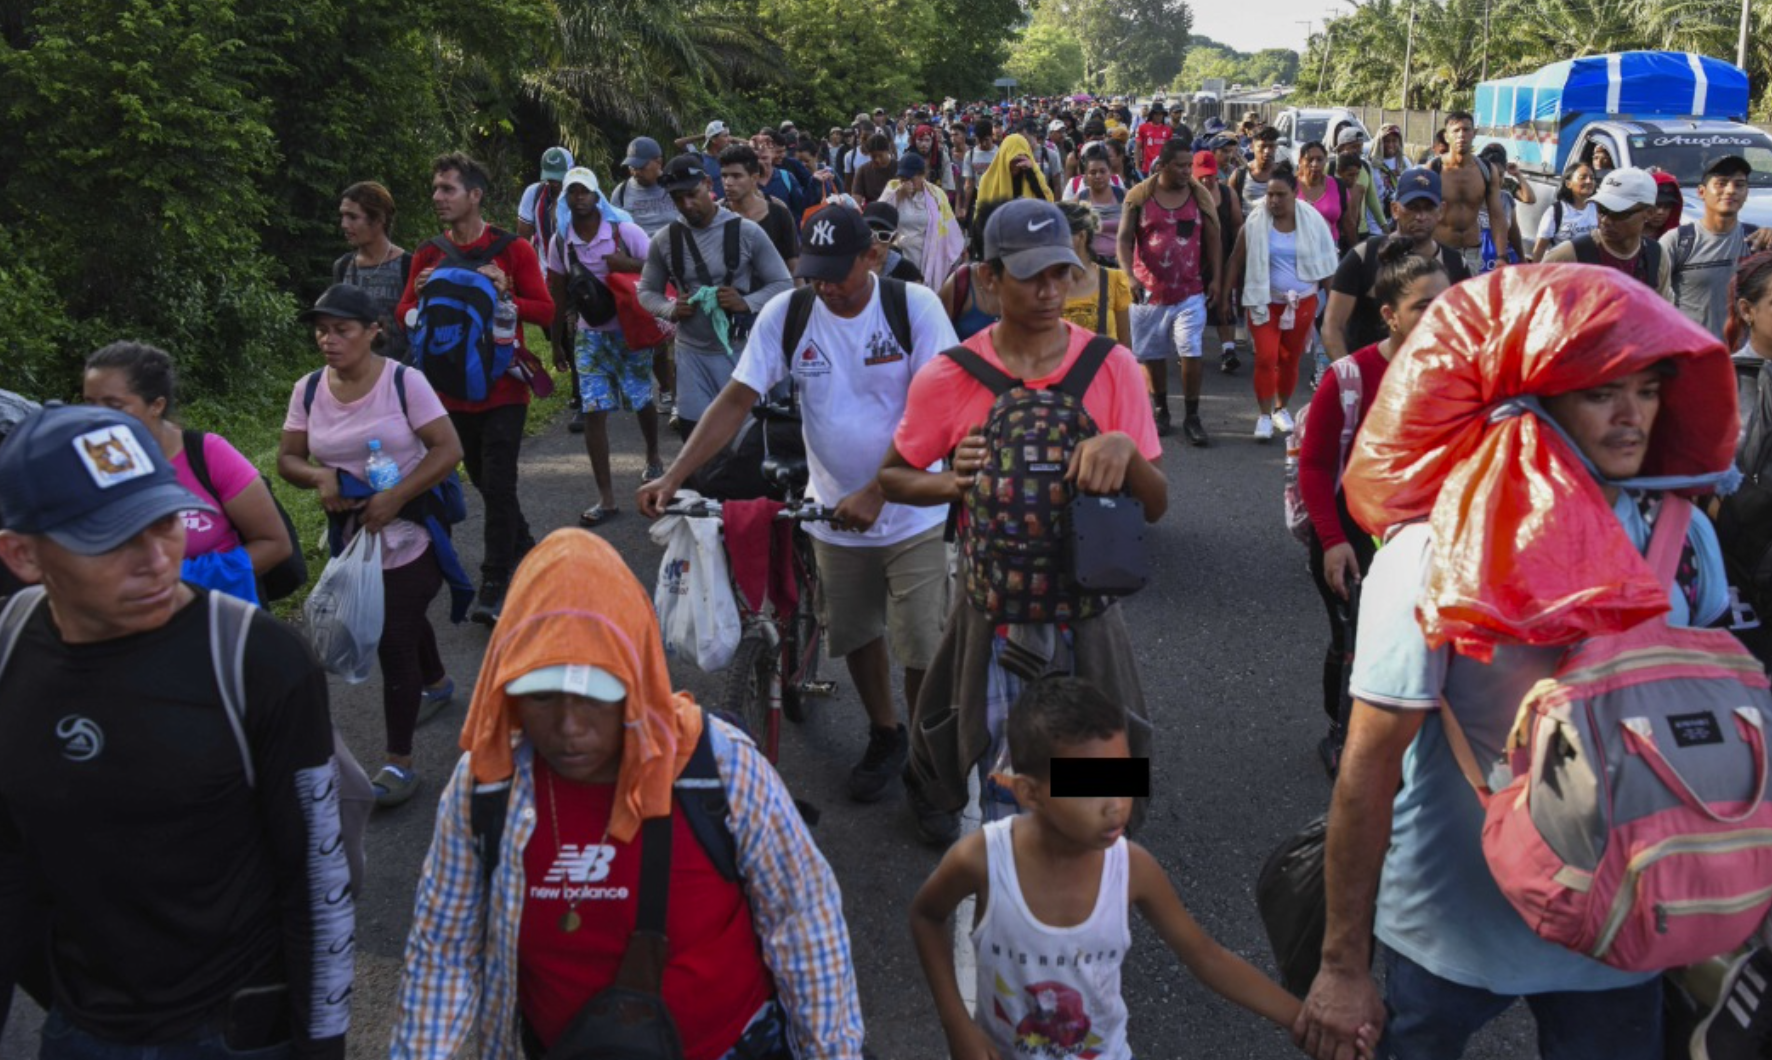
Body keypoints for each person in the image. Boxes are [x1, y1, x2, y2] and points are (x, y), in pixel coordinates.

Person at [1295, 265, 1737, 1060]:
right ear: (1533, 402)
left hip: (1620, 932)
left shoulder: (1687, 544)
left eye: (1648, 388)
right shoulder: (1433, 552)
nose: (1633, 417)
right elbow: (1366, 768)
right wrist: (1341, 966)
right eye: (1603, 392)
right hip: (1449, 931)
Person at [389, 529, 865, 1060]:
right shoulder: (485, 785)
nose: (570, 727)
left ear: (635, 680)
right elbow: (444, 951)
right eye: (541, 697)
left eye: (595, 697)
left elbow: (803, 922)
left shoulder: (720, 766)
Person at [0, 403, 355, 1060]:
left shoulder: (258, 660)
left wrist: (321, 1045)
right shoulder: (12, 647)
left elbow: (318, 875)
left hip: (229, 1031)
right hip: (79, 1028)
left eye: (165, 523)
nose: (158, 560)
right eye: (108, 539)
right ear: (22, 554)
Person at [642, 201, 960, 805]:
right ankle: (886, 732)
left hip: (913, 511)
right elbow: (736, 400)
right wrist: (676, 475)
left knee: (920, 641)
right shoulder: (791, 313)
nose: (825, 287)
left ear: (873, 255)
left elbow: (939, 411)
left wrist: (880, 488)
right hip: (833, 513)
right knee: (856, 633)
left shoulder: (912, 307)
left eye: (837, 273)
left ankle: (925, 753)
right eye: (814, 273)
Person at [878, 198, 1167, 845]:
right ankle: (1016, 905)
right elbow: (894, 475)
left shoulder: (1111, 366)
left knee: (1097, 808)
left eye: (1061, 273)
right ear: (988, 278)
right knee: (1008, 794)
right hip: (994, 621)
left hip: (1086, 619)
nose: (1049, 290)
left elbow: (1156, 502)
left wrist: (1125, 454)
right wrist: (953, 481)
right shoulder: (951, 376)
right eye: (1031, 274)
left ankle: (1084, 891)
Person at [908, 678, 1316, 1060]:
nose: (1117, 804)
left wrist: (1303, 1019)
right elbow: (926, 916)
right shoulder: (982, 858)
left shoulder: (1132, 868)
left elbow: (1205, 955)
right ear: (1030, 793)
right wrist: (956, 1022)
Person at [280, 284, 467, 805]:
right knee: (402, 621)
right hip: (354, 538)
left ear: (373, 331)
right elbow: (287, 459)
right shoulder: (310, 389)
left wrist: (395, 497)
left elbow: (448, 448)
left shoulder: (405, 383)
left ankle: (399, 763)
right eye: (322, 330)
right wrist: (319, 480)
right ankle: (437, 682)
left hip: (413, 529)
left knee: (392, 634)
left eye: (341, 329)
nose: (328, 340)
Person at [1301, 237, 1449, 776]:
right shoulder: (1349, 378)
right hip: (1353, 535)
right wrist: (1334, 542)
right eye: (1425, 307)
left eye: (1448, 303)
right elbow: (1315, 467)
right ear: (1389, 316)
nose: (1442, 316)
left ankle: (1411, 735)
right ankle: (1343, 732)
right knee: (1355, 637)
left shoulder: (1463, 375)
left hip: (1431, 538)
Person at [395, 152, 554, 626]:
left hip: (505, 388)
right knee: (487, 483)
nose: (437, 197)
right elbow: (404, 317)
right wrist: (419, 296)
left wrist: (507, 291)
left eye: (448, 189)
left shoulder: (513, 249)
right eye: (436, 189)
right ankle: (529, 552)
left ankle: (494, 581)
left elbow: (545, 312)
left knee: (499, 483)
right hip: (448, 392)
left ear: (475, 195)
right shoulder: (426, 253)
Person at [82, 342, 292, 603]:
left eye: (114, 405)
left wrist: (184, 582)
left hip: (216, 615)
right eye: (89, 403)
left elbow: (275, 544)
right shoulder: (93, 463)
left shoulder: (208, 454)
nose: (97, 417)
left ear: (156, 405)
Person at [638, 155, 793, 439]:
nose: (687, 205)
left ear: (708, 184)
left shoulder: (747, 232)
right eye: (677, 198)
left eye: (692, 195)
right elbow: (646, 290)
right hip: (691, 355)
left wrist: (746, 302)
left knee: (744, 442)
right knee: (696, 441)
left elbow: (784, 283)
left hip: (740, 352)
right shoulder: (664, 239)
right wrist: (670, 309)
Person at [545, 167, 665, 530]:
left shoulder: (623, 232)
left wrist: (624, 264)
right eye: (573, 193)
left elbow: (660, 270)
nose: (579, 198)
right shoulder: (561, 240)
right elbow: (558, 294)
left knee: (641, 399)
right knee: (593, 409)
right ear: (566, 199)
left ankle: (654, 456)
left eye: (585, 192)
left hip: (629, 332)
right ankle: (607, 498)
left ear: (597, 196)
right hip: (589, 336)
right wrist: (556, 345)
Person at [1221, 162, 1339, 441]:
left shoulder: (1312, 221)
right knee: (1265, 357)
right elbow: (1235, 261)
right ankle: (1263, 416)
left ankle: (1281, 409)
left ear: (1294, 193)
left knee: (1289, 359)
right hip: (1263, 302)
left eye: (1280, 195)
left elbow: (1328, 266)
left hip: (1303, 303)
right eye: (1270, 194)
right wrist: (1225, 297)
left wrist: (1334, 305)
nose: (1273, 200)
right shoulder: (1254, 222)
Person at [1118, 138, 1224, 445]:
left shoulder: (1198, 196)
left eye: (1187, 165)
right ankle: (1161, 410)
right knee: (1152, 354)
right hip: (1148, 293)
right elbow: (1124, 239)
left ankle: (1192, 416)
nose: (1185, 171)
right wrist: (1129, 277)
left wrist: (1216, 278)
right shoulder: (1139, 197)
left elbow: (1214, 239)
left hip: (1190, 291)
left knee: (1191, 350)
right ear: (1162, 166)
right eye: (1179, 165)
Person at [1324, 168, 1470, 362]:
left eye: (1428, 208)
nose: (1421, 216)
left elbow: (1464, 332)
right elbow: (1332, 326)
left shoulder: (1456, 265)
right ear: (1395, 209)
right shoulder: (1364, 256)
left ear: (1441, 211)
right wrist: (1347, 377)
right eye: (1413, 207)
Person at [1663, 155, 1769, 340]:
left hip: (1746, 362)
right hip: (1694, 357)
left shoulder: (1756, 240)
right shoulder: (1679, 241)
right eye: (1721, 183)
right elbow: (1651, 298)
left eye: (1739, 184)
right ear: (1702, 192)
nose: (1730, 190)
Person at [1545, 167, 1671, 300]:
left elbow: (1663, 314)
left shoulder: (1656, 256)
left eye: (1619, 213)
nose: (1606, 221)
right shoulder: (1568, 256)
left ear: (1649, 213)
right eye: (1601, 210)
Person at [334, 181, 413, 362]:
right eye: (343, 216)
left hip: (399, 379)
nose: (344, 224)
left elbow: (419, 332)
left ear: (378, 219)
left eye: (352, 217)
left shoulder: (408, 265)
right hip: (353, 376)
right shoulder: (343, 266)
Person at [1429, 113, 1508, 276]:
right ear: (1446, 136)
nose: (1461, 135)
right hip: (1440, 251)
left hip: (1472, 251)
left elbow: (1497, 215)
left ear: (1474, 133)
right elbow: (1420, 211)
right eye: (1456, 130)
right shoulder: (1434, 168)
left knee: (1466, 300)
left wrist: (1501, 256)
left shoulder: (1486, 170)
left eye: (1466, 129)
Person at [884, 150, 965, 289]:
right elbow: (881, 213)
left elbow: (949, 227)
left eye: (910, 178)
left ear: (922, 175)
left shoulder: (936, 195)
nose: (906, 182)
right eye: (903, 178)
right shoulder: (893, 189)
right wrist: (898, 195)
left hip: (927, 256)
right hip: (900, 257)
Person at [720, 143, 800, 277]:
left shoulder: (778, 212)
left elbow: (794, 268)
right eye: (724, 175)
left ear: (754, 178)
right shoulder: (717, 214)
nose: (728, 182)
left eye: (736, 176)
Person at [1200, 144, 1246, 373]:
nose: (1206, 182)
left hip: (1225, 257)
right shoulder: (1188, 196)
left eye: (1209, 176)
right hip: (1194, 263)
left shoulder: (1228, 194)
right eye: (1201, 177)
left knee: (1224, 304)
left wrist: (1237, 258)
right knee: (1193, 307)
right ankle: (1187, 350)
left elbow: (1238, 227)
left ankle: (1228, 350)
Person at [1058, 201, 1132, 343]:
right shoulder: (1046, 285)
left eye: (1059, 234)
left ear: (1081, 236)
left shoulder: (1114, 279)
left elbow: (1124, 344)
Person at [610, 136, 683, 237]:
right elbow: (614, 230)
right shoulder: (621, 192)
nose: (636, 173)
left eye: (641, 167)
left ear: (659, 162)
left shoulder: (677, 186)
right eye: (632, 167)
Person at [1296, 141, 1359, 252]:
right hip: (1296, 252)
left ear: (1325, 160)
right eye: (1310, 159)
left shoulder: (1338, 186)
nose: (1315, 164)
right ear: (1300, 161)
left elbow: (1348, 224)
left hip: (1330, 252)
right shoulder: (1290, 187)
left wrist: (1358, 254)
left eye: (1319, 159)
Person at [1529, 160, 1598, 261]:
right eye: (1583, 178)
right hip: (1563, 270)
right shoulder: (1556, 211)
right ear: (1568, 183)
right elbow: (1540, 248)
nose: (1589, 181)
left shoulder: (1597, 208)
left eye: (1592, 178)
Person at [1075, 145, 1128, 265]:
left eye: (1102, 171)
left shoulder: (1124, 196)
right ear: (1086, 175)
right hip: (1090, 266)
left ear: (1110, 171)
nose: (1098, 176)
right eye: (1093, 172)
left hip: (1121, 264)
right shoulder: (1080, 199)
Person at [517, 146, 572, 260]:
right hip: (544, 272)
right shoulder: (533, 193)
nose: (555, 183)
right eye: (551, 178)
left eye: (560, 177)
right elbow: (523, 239)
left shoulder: (582, 196)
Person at [1333, 127, 1386, 239]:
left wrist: (1384, 225)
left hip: (1361, 230)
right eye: (1354, 147)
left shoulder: (1366, 167)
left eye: (1360, 146)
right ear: (1341, 148)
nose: (1359, 150)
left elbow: (1372, 198)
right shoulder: (1330, 168)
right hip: (1337, 232)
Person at [1231, 126, 1282, 216]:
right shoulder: (1239, 175)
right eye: (1262, 146)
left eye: (1271, 146)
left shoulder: (1283, 175)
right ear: (1252, 146)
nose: (1267, 151)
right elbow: (1232, 211)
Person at [960, 121, 1000, 222]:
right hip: (979, 198)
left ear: (992, 136)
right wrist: (965, 207)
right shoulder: (970, 155)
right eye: (980, 140)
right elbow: (969, 184)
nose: (983, 144)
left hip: (998, 198)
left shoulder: (1000, 153)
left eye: (986, 140)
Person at [850, 133, 898, 205]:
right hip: (872, 211)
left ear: (888, 151)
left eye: (880, 156)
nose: (877, 160)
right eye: (873, 156)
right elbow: (856, 199)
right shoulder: (863, 170)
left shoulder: (899, 168)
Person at [1135, 102, 1173, 175]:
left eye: (1161, 114)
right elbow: (1137, 148)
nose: (1158, 116)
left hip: (1162, 168)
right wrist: (1137, 166)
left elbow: (1170, 150)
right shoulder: (1143, 128)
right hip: (1146, 168)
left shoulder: (1168, 130)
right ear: (1152, 115)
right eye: (1156, 114)